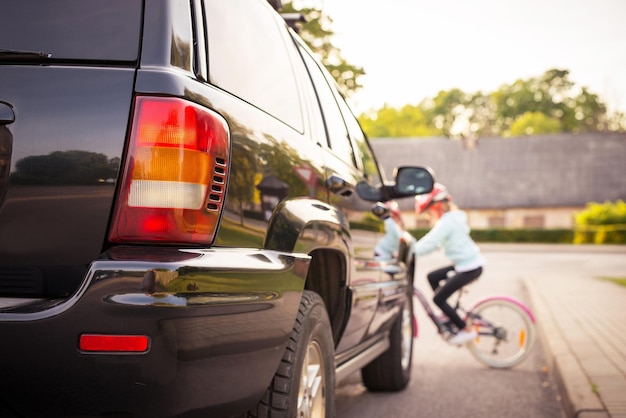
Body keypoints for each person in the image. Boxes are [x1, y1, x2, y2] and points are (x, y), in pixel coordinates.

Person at [412, 183, 484, 345]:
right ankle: (448, 312)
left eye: (428, 210)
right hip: (466, 264)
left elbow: (430, 243)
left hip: (469, 267)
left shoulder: (446, 222)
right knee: (432, 277)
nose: (427, 215)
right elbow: (435, 243)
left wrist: (410, 252)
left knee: (438, 299)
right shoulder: (453, 218)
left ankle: (465, 329)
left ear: (437, 206)